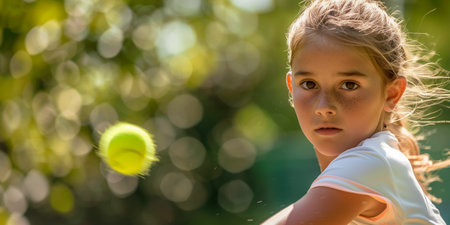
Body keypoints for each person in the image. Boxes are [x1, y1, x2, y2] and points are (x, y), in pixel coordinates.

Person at [262, 0, 450, 224]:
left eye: (349, 85)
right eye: (310, 84)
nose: (324, 107)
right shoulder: (372, 165)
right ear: (292, 88)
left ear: (392, 94)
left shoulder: (370, 162)